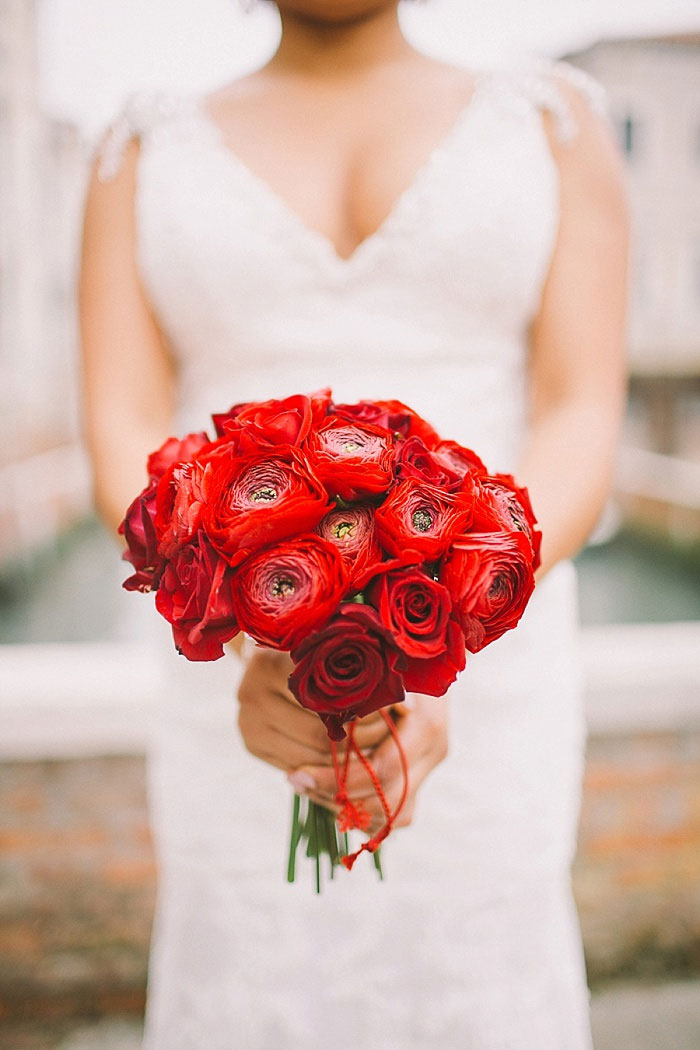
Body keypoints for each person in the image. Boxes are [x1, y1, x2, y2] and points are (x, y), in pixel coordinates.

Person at [79, 1, 629, 1046]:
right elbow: (120, 429)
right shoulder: (136, 148)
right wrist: (267, 634)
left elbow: (579, 408)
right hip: (236, 679)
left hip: (487, 669)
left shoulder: (554, 122)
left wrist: (446, 621)